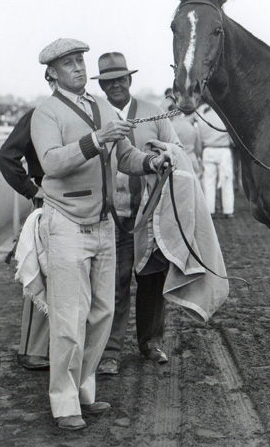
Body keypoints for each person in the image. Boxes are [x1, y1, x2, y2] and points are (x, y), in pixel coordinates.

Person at [30, 38, 169, 432]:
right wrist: (97, 140)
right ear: (52, 73)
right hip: (67, 223)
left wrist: (153, 161)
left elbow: (125, 157)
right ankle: (63, 401)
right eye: (68, 63)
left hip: (105, 224)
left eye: (80, 61)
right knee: (68, 319)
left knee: (102, 313)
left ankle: (84, 391)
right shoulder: (45, 112)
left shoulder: (99, 106)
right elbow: (51, 163)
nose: (78, 67)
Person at [93, 52, 180, 376]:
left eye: (121, 78)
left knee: (151, 278)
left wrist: (163, 154)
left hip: (148, 213)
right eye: (108, 80)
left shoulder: (153, 112)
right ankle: (109, 351)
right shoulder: (96, 114)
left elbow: (177, 149)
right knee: (113, 282)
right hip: (108, 215)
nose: (116, 84)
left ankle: (151, 342)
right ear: (101, 84)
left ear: (130, 79)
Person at [0, 106, 49, 371]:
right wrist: (31, 190)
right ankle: (32, 349)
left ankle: (52, 347)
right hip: (48, 196)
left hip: (80, 199)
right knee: (40, 271)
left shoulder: (87, 112)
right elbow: (7, 156)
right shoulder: (38, 113)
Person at [195, 103, 234, 218]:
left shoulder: (203, 118)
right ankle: (228, 210)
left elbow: (199, 139)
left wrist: (200, 153)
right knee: (227, 180)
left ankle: (210, 210)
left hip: (208, 150)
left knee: (209, 181)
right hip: (223, 150)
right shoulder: (225, 118)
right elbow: (232, 139)